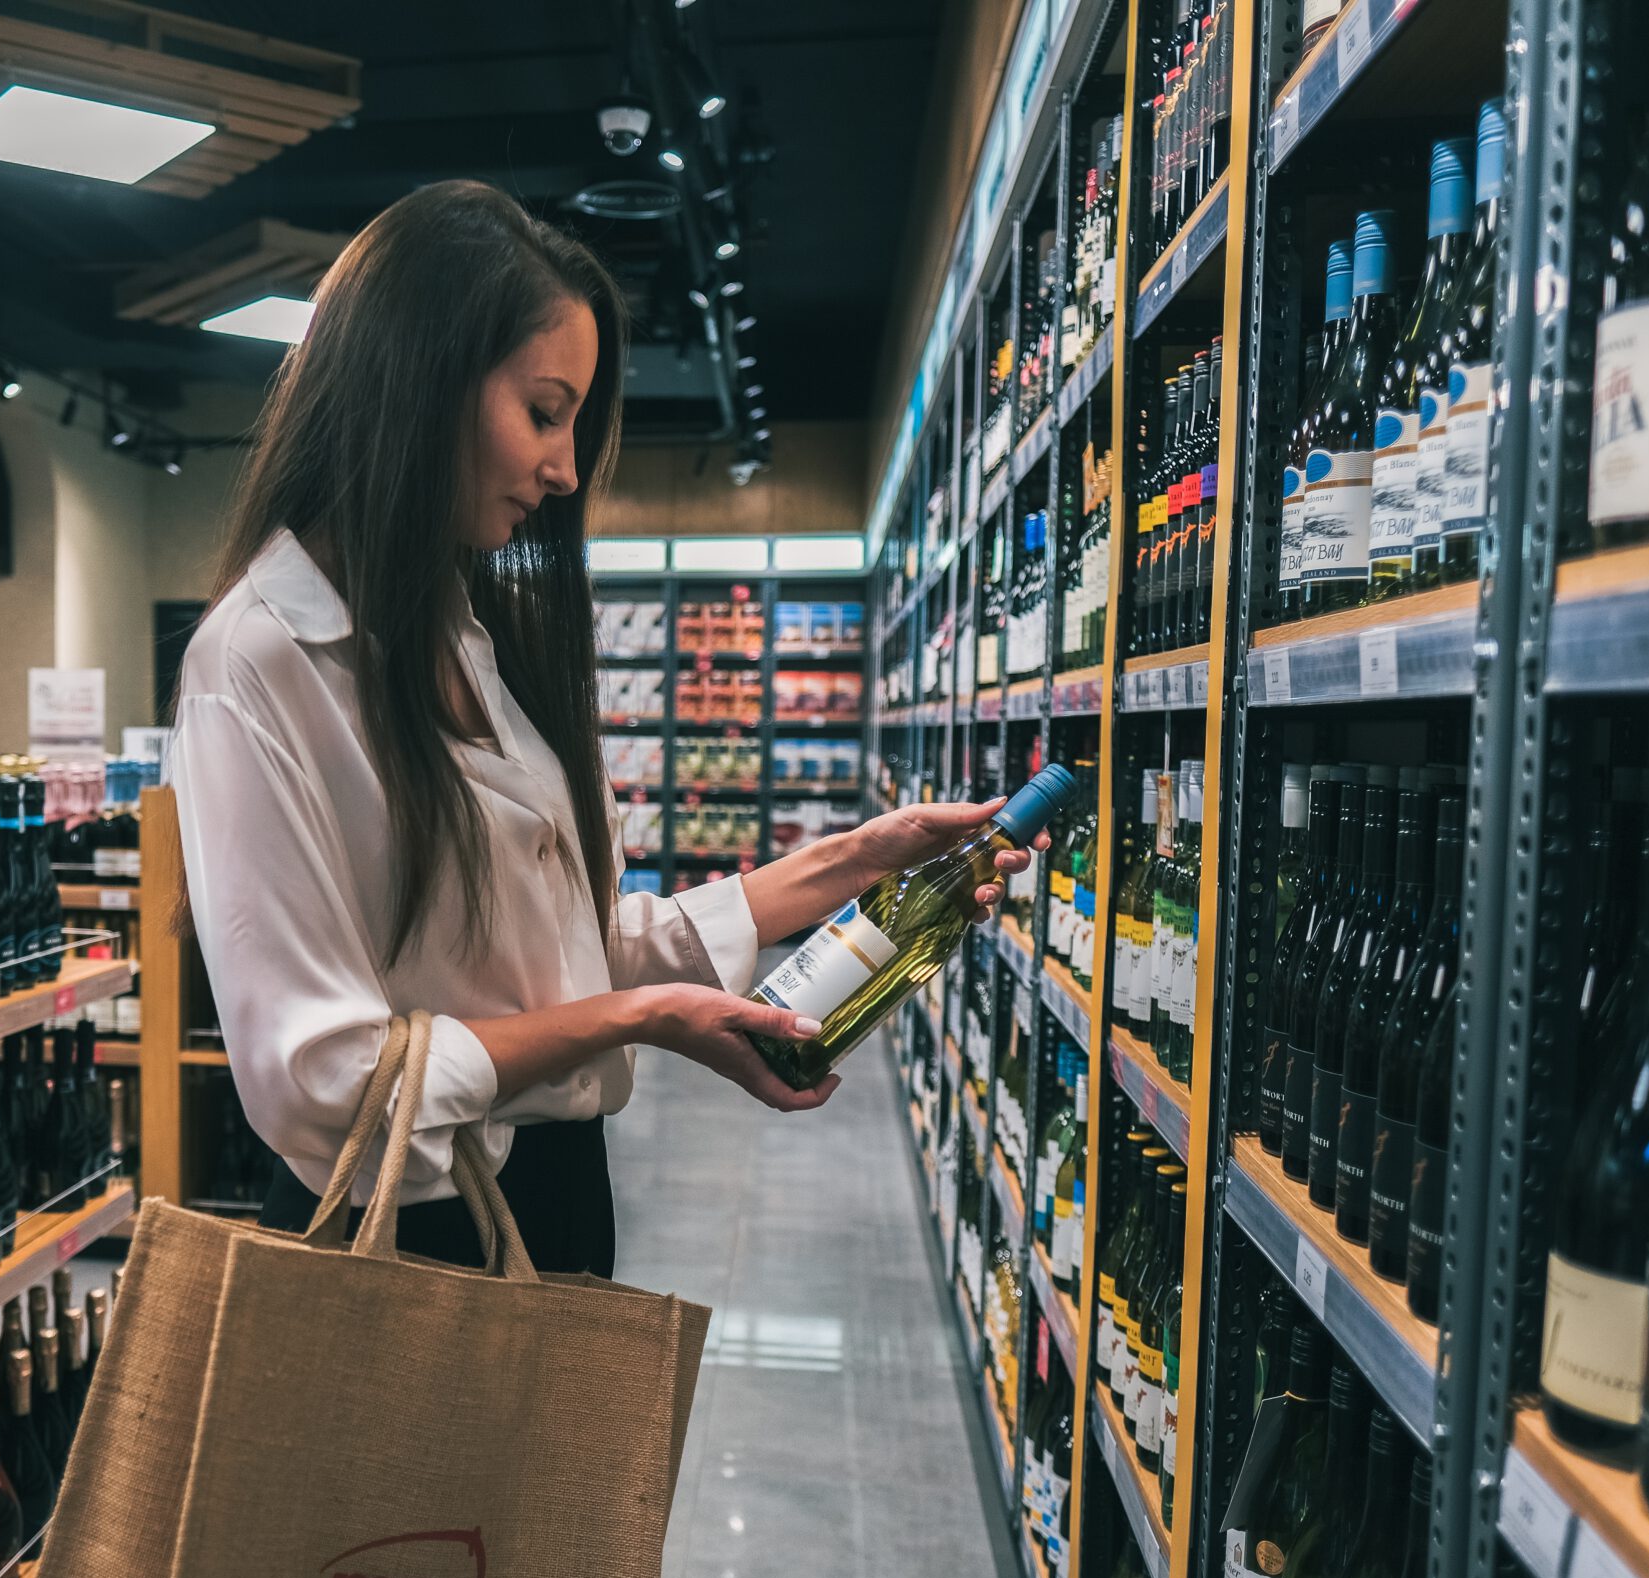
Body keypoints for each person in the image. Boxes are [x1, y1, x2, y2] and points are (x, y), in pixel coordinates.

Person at [168, 182, 1035, 1278]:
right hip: (404, 1239)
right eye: (543, 410)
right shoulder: (254, 665)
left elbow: (557, 950)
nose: (566, 468)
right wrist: (635, 1018)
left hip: (552, 1197)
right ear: (418, 380)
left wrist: (853, 860)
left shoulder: (471, 637)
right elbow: (321, 1081)